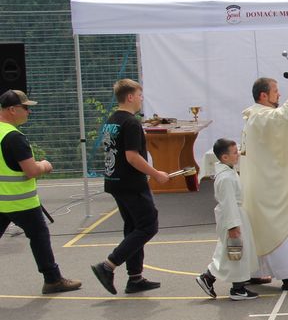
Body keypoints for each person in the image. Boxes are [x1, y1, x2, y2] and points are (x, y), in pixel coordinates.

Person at [242, 70, 288, 293]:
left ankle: (255, 271)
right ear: (263, 95)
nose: (279, 95)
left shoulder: (258, 115)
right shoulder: (261, 116)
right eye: (276, 91)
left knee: (262, 228)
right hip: (269, 187)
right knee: (281, 226)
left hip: (263, 183)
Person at [91, 79, 169, 295]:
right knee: (148, 225)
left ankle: (135, 277)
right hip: (131, 183)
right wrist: (156, 174)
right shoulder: (131, 123)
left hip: (115, 180)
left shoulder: (112, 120)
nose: (141, 99)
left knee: (133, 227)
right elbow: (132, 156)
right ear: (130, 97)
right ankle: (108, 265)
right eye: (139, 95)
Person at [0, 89, 81, 294]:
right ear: (12, 110)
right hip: (21, 202)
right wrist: (45, 164)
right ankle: (53, 280)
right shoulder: (14, 137)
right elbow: (31, 171)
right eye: (25, 108)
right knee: (39, 236)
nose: (29, 112)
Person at [195, 138, 260, 301]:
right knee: (236, 252)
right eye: (235, 152)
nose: (238, 154)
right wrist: (233, 226)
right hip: (233, 217)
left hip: (236, 215)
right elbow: (228, 203)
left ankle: (208, 277)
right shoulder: (225, 178)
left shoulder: (228, 171)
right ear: (224, 157)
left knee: (229, 252)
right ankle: (237, 288)